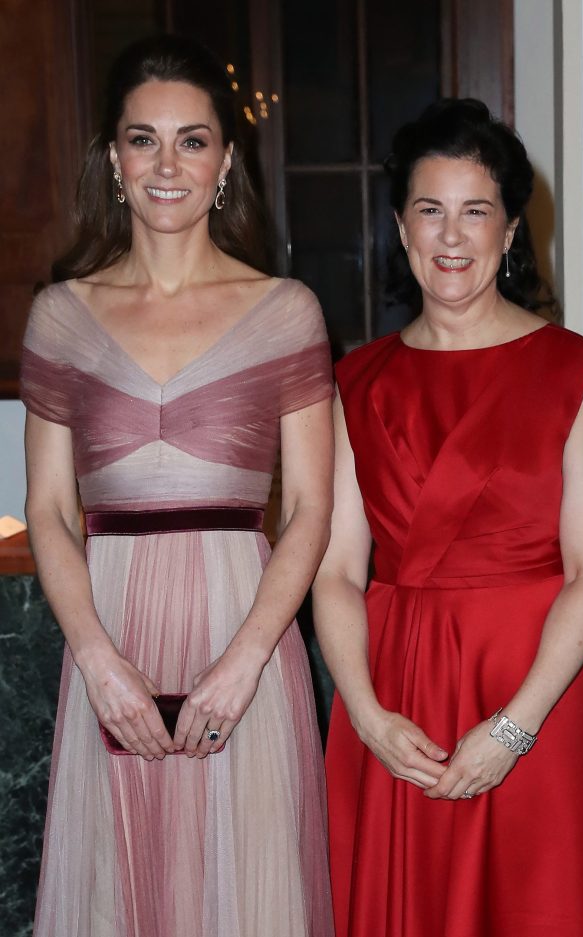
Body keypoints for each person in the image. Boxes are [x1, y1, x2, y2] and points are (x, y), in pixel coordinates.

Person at [22, 35, 334, 937]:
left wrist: (245, 666)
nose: (168, 165)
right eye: (142, 139)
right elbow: (47, 508)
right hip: (108, 640)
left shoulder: (285, 309)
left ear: (226, 161)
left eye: (192, 140)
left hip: (246, 634)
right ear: (112, 160)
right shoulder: (60, 314)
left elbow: (311, 508)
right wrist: (97, 661)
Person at [313, 98, 583, 937]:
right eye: (430, 211)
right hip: (396, 704)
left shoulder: (577, 374)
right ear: (400, 227)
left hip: (539, 694)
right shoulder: (355, 380)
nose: (451, 237)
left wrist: (513, 727)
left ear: (509, 233)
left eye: (476, 212)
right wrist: (365, 711)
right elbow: (338, 569)